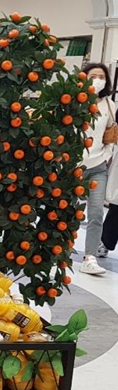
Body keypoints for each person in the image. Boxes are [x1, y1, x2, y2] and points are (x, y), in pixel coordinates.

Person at [80, 63, 117, 275]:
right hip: (73, 166)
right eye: (93, 75)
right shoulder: (74, 101)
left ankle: (90, 257)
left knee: (95, 213)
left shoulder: (109, 105)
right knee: (67, 212)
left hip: (98, 166)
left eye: (101, 76)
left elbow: (111, 132)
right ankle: (59, 250)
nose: (97, 79)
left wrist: (107, 154)